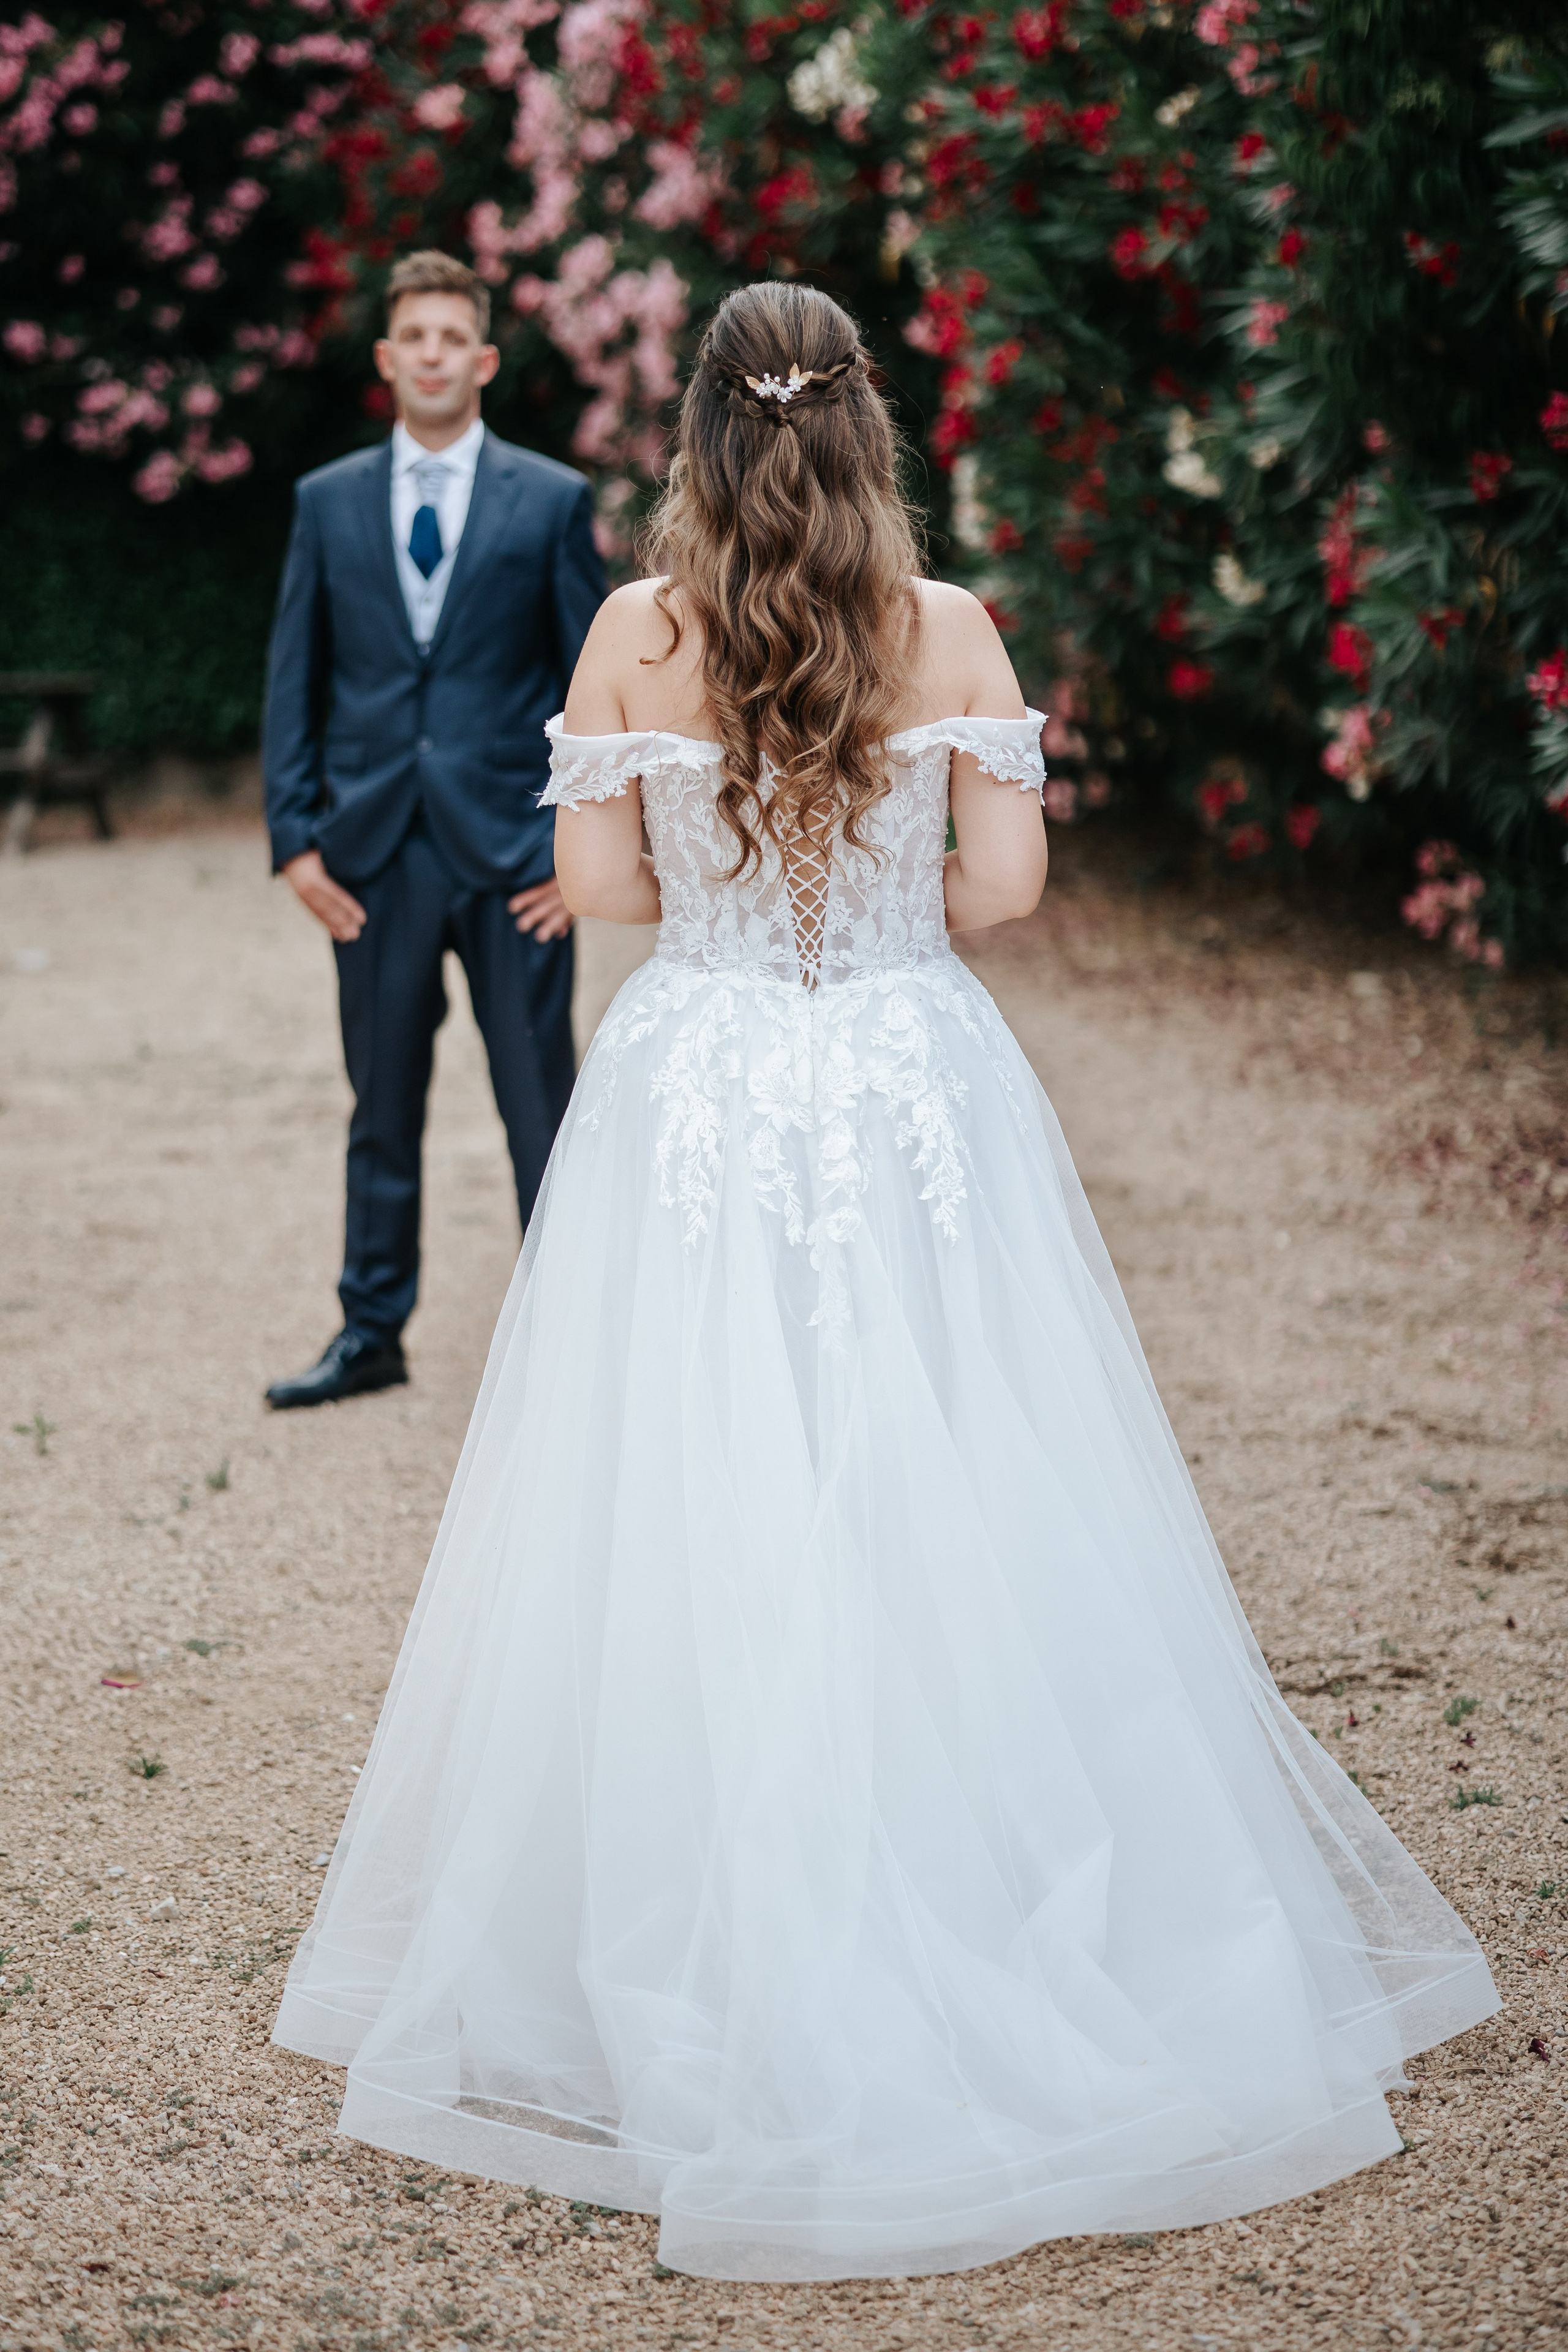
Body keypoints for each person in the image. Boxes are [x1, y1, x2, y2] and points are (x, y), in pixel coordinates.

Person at [273, 282, 1498, 2280]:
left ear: (699, 434)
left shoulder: (630, 632)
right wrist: (868, 905)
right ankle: (990, 1875)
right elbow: (1005, 893)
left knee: (687, 1486)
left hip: (707, 1085)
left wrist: (742, 901)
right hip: (912, 1083)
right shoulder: (949, 625)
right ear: (862, 427)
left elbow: (597, 900)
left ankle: (688, 1914)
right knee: (964, 1453)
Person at [261, 250, 607, 1410]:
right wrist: (295, 842)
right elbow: (293, 675)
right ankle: (371, 1333)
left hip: (516, 860)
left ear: (485, 357)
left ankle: (569, 1342)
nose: (433, 353)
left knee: (539, 1106)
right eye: (415, 335)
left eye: (454, 335)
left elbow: (594, 684)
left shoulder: (552, 502)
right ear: (386, 357)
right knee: (382, 1106)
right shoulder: (325, 502)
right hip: (372, 857)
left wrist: (583, 859)